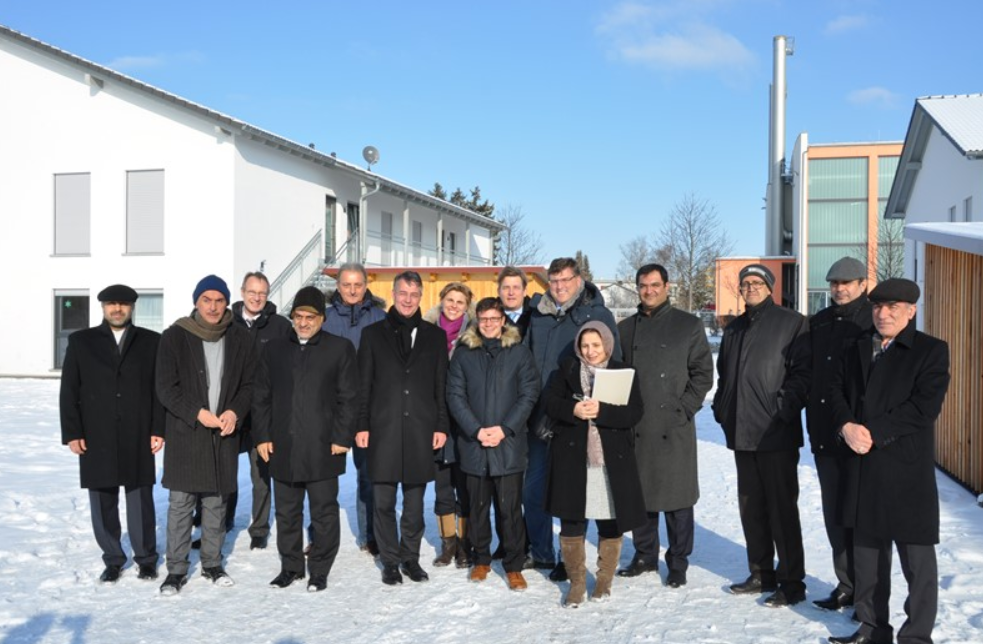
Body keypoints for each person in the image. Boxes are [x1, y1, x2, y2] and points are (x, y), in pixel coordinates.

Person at [827, 278, 950, 644]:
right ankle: (871, 628)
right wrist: (846, 425)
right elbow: (833, 391)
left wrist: (873, 431)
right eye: (878, 307)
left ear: (911, 312)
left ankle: (916, 636)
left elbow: (924, 408)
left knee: (917, 561)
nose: (882, 314)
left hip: (904, 468)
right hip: (862, 465)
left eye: (892, 308)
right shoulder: (856, 347)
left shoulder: (931, 350)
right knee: (867, 555)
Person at [712, 263, 810, 607]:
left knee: (782, 509)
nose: (750, 287)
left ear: (770, 286)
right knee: (750, 506)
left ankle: (791, 581)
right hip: (741, 430)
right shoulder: (734, 328)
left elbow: (802, 374)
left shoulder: (792, 322)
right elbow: (725, 374)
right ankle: (761, 572)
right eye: (745, 283)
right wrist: (722, 408)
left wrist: (783, 408)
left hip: (775, 432)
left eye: (757, 282)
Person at [252, 286, 358, 592]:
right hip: (282, 444)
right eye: (298, 316)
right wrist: (261, 436)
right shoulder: (274, 349)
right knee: (286, 511)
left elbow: (349, 398)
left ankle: (320, 569)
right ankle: (291, 567)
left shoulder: (339, 349)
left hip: (323, 446)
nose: (303, 322)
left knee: (324, 512)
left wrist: (342, 437)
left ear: (322, 319)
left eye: (310, 316)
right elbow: (261, 396)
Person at [155, 275, 257, 595]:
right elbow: (164, 387)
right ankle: (176, 569)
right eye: (206, 300)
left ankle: (212, 564)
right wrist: (196, 413)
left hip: (222, 435)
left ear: (227, 302)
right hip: (188, 433)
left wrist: (234, 412)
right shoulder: (175, 336)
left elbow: (249, 385)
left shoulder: (240, 338)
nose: (213, 307)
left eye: (219, 300)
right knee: (181, 504)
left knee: (216, 504)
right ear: (196, 302)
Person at [524, 257, 622, 581]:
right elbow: (526, 363)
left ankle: (571, 560)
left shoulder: (597, 314)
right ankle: (541, 551)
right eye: (553, 281)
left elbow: (613, 365)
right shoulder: (537, 316)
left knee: (577, 493)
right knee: (534, 489)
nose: (560, 287)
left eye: (566, 280)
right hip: (541, 416)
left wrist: (601, 413)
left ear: (578, 280)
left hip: (579, 419)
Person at [616, 264, 713, 588]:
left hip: (673, 426)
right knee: (641, 495)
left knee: (677, 499)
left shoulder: (689, 325)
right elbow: (618, 375)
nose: (649, 291)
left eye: (655, 285)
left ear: (667, 286)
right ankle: (644, 555)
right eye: (643, 286)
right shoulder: (626, 328)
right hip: (638, 425)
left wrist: (683, 409)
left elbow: (702, 374)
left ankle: (678, 561)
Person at [59, 284, 164, 583]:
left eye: (123, 304)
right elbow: (69, 391)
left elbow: (159, 391)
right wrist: (72, 433)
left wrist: (158, 428)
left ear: (132, 307)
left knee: (140, 498)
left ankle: (146, 559)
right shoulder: (82, 342)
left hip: (138, 432)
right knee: (102, 499)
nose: (117, 309)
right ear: (103, 307)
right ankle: (114, 558)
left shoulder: (151, 342)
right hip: (96, 433)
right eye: (111, 304)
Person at [355, 271, 449, 585]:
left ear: (421, 296)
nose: (408, 300)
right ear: (393, 294)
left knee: (413, 503)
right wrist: (362, 425)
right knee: (382, 502)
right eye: (403, 293)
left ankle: (410, 558)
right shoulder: (372, 334)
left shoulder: (434, 336)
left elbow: (441, 385)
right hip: (383, 429)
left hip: (421, 430)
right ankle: (390, 561)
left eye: (414, 294)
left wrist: (440, 425)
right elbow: (363, 385)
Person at [544, 322, 645, 606]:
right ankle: (576, 583)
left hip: (610, 461)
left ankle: (604, 580)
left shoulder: (624, 373)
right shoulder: (565, 370)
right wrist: (573, 409)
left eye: (596, 345)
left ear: (608, 346)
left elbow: (635, 413)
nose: (590, 351)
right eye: (585, 345)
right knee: (572, 522)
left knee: (610, 521)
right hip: (573, 460)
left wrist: (603, 411)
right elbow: (549, 403)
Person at [446, 297, 539, 590]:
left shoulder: (519, 353)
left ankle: (514, 564)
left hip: (508, 444)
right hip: (474, 445)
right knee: (477, 506)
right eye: (483, 319)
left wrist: (505, 428)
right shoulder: (463, 354)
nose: (488, 324)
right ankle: (481, 558)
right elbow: (455, 395)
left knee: (510, 509)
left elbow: (528, 394)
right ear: (477, 321)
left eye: (494, 319)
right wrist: (475, 430)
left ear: (503, 321)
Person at [807, 257, 871, 611]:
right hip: (824, 430)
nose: (840, 289)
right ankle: (845, 583)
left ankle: (866, 592)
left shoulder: (872, 320)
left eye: (847, 282)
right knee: (834, 512)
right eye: (834, 283)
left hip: (860, 434)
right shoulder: (819, 322)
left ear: (863, 283)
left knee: (858, 515)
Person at [321, 262, 386, 555]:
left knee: (368, 475)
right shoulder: (326, 318)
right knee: (323, 477)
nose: (352, 290)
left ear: (365, 284)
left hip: (368, 408)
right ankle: (320, 534)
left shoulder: (379, 317)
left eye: (357, 285)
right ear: (338, 286)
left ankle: (370, 534)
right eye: (346, 285)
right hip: (331, 407)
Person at [225, 271, 291, 550]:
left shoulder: (279, 326)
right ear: (242, 292)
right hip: (229, 410)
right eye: (252, 292)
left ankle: (259, 528)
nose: (257, 298)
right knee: (223, 471)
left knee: (261, 473)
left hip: (263, 413)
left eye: (262, 293)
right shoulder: (226, 322)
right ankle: (221, 520)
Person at [423, 282, 474, 568]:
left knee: (464, 485)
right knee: (443, 485)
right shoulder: (427, 332)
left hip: (464, 422)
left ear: (468, 306)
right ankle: (448, 544)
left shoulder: (475, 336)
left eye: (460, 302)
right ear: (442, 300)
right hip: (435, 420)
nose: (454, 305)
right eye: (450, 300)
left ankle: (465, 544)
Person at [498, 266, 532, 337]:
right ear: (498, 291)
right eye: (506, 288)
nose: (511, 293)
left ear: (524, 291)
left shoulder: (536, 317)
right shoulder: (488, 319)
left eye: (516, 288)